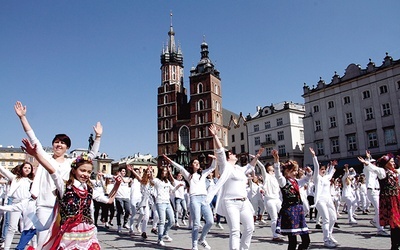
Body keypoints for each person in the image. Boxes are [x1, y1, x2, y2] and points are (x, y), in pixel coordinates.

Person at [14, 101, 103, 248]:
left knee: (62, 242)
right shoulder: (45, 158)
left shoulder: (71, 163)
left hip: (64, 207)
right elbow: (33, 139)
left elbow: (91, 155)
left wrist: (98, 137)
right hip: (45, 204)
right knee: (43, 239)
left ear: (67, 147)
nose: (59, 145)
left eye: (63, 143)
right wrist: (23, 118)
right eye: (56, 142)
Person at [21, 139, 122, 250]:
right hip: (69, 233)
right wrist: (36, 154)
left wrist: (117, 184)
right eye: (82, 170)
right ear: (74, 170)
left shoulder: (89, 189)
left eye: (88, 172)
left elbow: (109, 200)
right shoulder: (64, 186)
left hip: (87, 233)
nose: (86, 174)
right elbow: (51, 170)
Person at [206, 124, 262, 250]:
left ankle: (244, 248)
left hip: (243, 202)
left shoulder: (239, 169)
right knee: (235, 230)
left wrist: (257, 156)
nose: (234, 154)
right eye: (231, 153)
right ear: (228, 157)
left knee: (250, 227)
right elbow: (220, 152)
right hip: (230, 202)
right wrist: (215, 136)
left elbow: (250, 167)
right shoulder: (225, 166)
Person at [163, 154, 216, 250]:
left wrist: (214, 159)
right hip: (194, 198)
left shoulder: (203, 173)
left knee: (210, 221)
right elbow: (180, 167)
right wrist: (170, 161)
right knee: (196, 222)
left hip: (204, 199)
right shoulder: (189, 176)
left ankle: (202, 239)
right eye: (195, 163)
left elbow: (213, 167)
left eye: (198, 163)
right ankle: (194, 244)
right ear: (192, 165)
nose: (197, 164)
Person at [273, 149, 311, 250]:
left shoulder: (296, 181)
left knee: (306, 240)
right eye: (294, 170)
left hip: (298, 210)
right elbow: (277, 174)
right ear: (287, 171)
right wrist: (276, 160)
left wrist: (309, 173)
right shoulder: (283, 181)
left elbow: (306, 179)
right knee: (293, 241)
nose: (296, 172)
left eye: (296, 170)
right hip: (290, 211)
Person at [358, 154, 398, 249]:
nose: (393, 163)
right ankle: (391, 242)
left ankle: (395, 243)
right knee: (390, 219)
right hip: (385, 197)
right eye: (391, 161)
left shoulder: (394, 171)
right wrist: (366, 162)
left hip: (394, 196)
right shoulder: (380, 171)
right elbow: (373, 168)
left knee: (396, 221)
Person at [0, 162, 34, 250]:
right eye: (25, 167)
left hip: (28, 204)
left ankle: (32, 246)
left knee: (30, 226)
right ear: (21, 169)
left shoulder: (32, 180)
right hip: (16, 203)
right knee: (12, 227)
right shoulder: (15, 178)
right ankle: (7, 247)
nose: (27, 169)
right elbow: (4, 171)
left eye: (29, 168)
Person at [310, 147, 338, 248]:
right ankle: (326, 240)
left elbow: (330, 173)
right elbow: (316, 167)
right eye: (322, 170)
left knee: (333, 218)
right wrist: (314, 157)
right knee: (326, 219)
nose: (323, 171)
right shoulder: (316, 178)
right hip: (320, 200)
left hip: (328, 199)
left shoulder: (326, 178)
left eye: (324, 170)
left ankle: (329, 235)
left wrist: (332, 166)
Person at [362, 151, 389, 237]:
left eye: (375, 162)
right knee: (378, 209)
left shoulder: (376, 171)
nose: (374, 163)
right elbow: (366, 166)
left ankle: (374, 221)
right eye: (372, 162)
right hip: (372, 191)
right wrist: (367, 158)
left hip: (378, 191)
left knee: (379, 209)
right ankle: (380, 229)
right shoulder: (367, 171)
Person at [151, 165, 179, 246]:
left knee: (172, 220)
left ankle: (165, 233)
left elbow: (173, 190)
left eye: (166, 171)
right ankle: (159, 239)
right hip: (160, 202)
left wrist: (178, 186)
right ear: (161, 172)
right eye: (164, 171)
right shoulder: (157, 180)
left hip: (167, 202)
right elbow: (152, 179)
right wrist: (151, 171)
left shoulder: (167, 181)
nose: (165, 172)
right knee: (162, 221)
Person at [257, 160, 284, 242]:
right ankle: (275, 236)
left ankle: (282, 230)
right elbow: (261, 167)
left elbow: (280, 170)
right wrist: (257, 159)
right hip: (269, 199)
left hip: (277, 199)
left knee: (284, 214)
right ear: (268, 168)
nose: (272, 167)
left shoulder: (276, 177)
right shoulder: (266, 176)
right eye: (271, 166)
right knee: (274, 218)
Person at [135, 166, 159, 239]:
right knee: (146, 217)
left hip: (152, 199)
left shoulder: (153, 181)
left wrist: (151, 172)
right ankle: (143, 232)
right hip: (145, 200)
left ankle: (154, 228)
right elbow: (138, 176)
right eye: (148, 172)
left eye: (151, 172)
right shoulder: (143, 180)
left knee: (157, 215)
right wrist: (132, 170)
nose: (149, 173)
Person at [115, 167, 132, 233]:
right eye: (122, 171)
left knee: (127, 210)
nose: (124, 172)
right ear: (119, 172)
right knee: (120, 211)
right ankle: (119, 225)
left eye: (124, 171)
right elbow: (110, 176)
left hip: (126, 197)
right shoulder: (117, 178)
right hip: (119, 197)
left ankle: (125, 223)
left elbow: (126, 181)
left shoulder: (127, 178)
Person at [126, 165, 143, 235]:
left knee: (142, 213)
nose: (137, 173)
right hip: (133, 198)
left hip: (139, 197)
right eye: (135, 172)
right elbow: (125, 180)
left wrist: (141, 172)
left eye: (137, 172)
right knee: (133, 213)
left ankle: (137, 225)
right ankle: (131, 228)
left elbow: (142, 177)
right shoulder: (131, 179)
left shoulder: (140, 180)